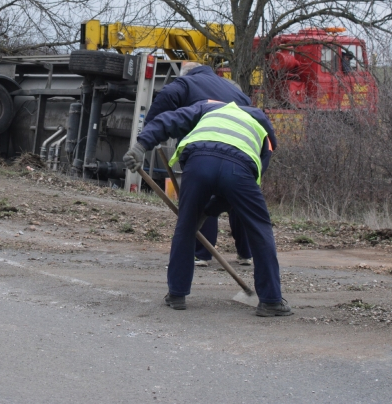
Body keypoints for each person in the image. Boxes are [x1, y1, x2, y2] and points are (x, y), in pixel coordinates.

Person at [123, 100, 291, 316]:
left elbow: (169, 120)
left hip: (199, 161)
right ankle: (270, 301)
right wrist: (214, 207)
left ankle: (176, 294)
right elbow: (253, 174)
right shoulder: (262, 125)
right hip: (238, 168)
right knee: (260, 229)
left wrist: (140, 146)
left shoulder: (208, 108)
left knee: (186, 226)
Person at [145, 61, 253, 267]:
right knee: (237, 200)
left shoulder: (186, 83)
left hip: (203, 150)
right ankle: (246, 253)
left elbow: (163, 102)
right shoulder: (233, 90)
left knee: (202, 196)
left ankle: (202, 254)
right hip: (241, 151)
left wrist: (147, 136)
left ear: (186, 74)